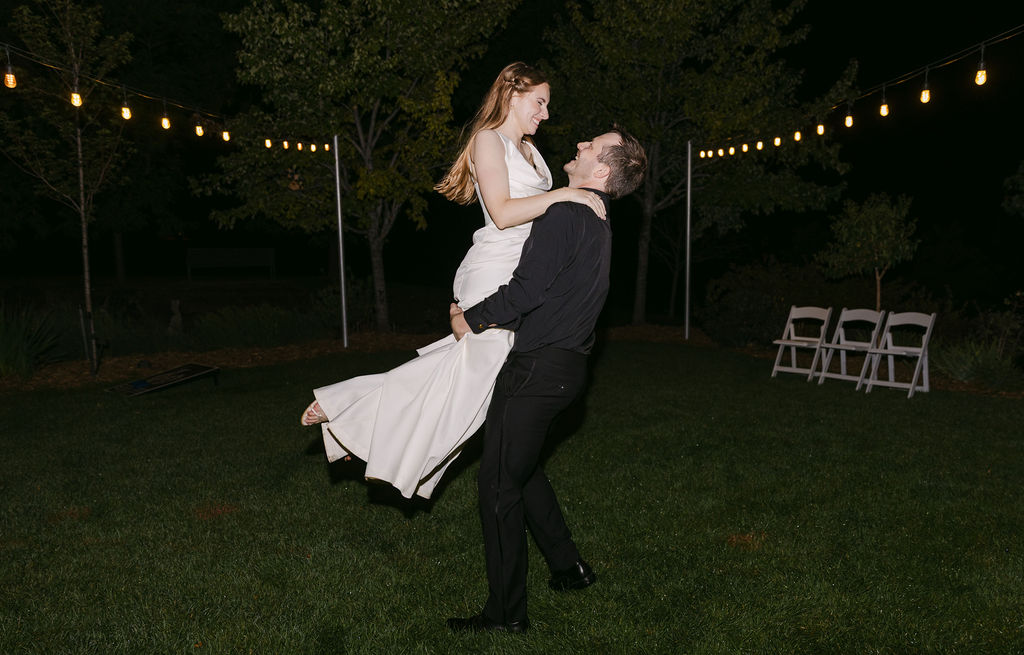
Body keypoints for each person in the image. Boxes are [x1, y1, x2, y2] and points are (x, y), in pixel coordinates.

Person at [299, 62, 605, 499]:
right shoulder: (487, 141)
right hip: (493, 269)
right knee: (472, 383)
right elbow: (500, 212)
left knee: (465, 379)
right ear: (513, 94)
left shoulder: (534, 154)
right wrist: (567, 194)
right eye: (540, 102)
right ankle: (351, 412)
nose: (546, 114)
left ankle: (355, 416)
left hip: (519, 273)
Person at [446, 126, 647, 634]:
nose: (578, 146)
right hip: (568, 372)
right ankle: (569, 568)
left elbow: (526, 290)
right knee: (521, 467)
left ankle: (506, 614)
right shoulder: (596, 220)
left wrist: (468, 319)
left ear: (601, 170)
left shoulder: (566, 213)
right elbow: (555, 294)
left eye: (590, 147)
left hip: (537, 371)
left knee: (496, 486)